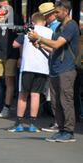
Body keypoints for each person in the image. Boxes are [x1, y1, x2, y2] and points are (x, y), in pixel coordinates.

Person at [28, 0, 80, 142]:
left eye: (57, 12)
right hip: (55, 69)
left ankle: (68, 132)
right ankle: (61, 129)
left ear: (66, 11)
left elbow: (57, 43)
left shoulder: (71, 25)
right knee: (55, 102)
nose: (55, 14)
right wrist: (39, 45)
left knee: (65, 101)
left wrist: (39, 37)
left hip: (67, 69)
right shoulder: (58, 28)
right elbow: (53, 49)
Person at [8, 12, 53, 133]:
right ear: (44, 22)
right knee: (35, 94)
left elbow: (15, 44)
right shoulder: (50, 32)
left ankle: (19, 123)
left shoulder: (29, 29)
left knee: (23, 94)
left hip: (28, 66)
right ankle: (33, 124)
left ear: (32, 21)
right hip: (42, 68)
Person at [38, 2, 60, 133]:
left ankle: (59, 123)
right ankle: (58, 122)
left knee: (55, 95)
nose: (45, 19)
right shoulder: (54, 26)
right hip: (55, 63)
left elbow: (54, 48)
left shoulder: (55, 27)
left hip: (57, 65)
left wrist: (40, 41)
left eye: (45, 16)